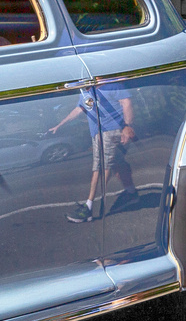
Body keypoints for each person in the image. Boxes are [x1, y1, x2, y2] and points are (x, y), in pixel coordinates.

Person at [49, 83, 137, 223]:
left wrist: (127, 126)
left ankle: (89, 207)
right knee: (117, 164)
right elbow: (79, 109)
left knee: (100, 167)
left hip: (110, 131)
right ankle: (132, 193)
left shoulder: (109, 85)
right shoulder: (85, 92)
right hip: (98, 133)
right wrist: (60, 125)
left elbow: (126, 102)